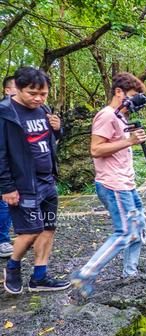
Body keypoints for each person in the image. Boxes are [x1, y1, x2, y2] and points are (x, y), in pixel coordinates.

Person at [70, 72, 146, 297]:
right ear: (118, 92)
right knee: (124, 232)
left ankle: (130, 273)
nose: (135, 101)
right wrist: (129, 141)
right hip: (113, 185)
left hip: (126, 183)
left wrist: (131, 140)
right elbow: (95, 149)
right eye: (133, 96)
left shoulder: (121, 116)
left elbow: (118, 145)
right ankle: (84, 275)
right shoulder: (105, 115)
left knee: (139, 226)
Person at [0, 67, 70, 293]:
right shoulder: (5, 113)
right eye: (32, 93)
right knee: (29, 231)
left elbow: (48, 140)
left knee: (48, 228)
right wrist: (7, 187)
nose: (38, 98)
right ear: (17, 89)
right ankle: (12, 266)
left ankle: (40, 276)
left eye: (43, 94)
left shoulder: (44, 109)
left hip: (47, 182)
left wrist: (58, 130)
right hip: (24, 185)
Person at [0, 76, 18, 258]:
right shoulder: (5, 110)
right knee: (4, 203)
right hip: (4, 167)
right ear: (7, 90)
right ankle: (3, 240)